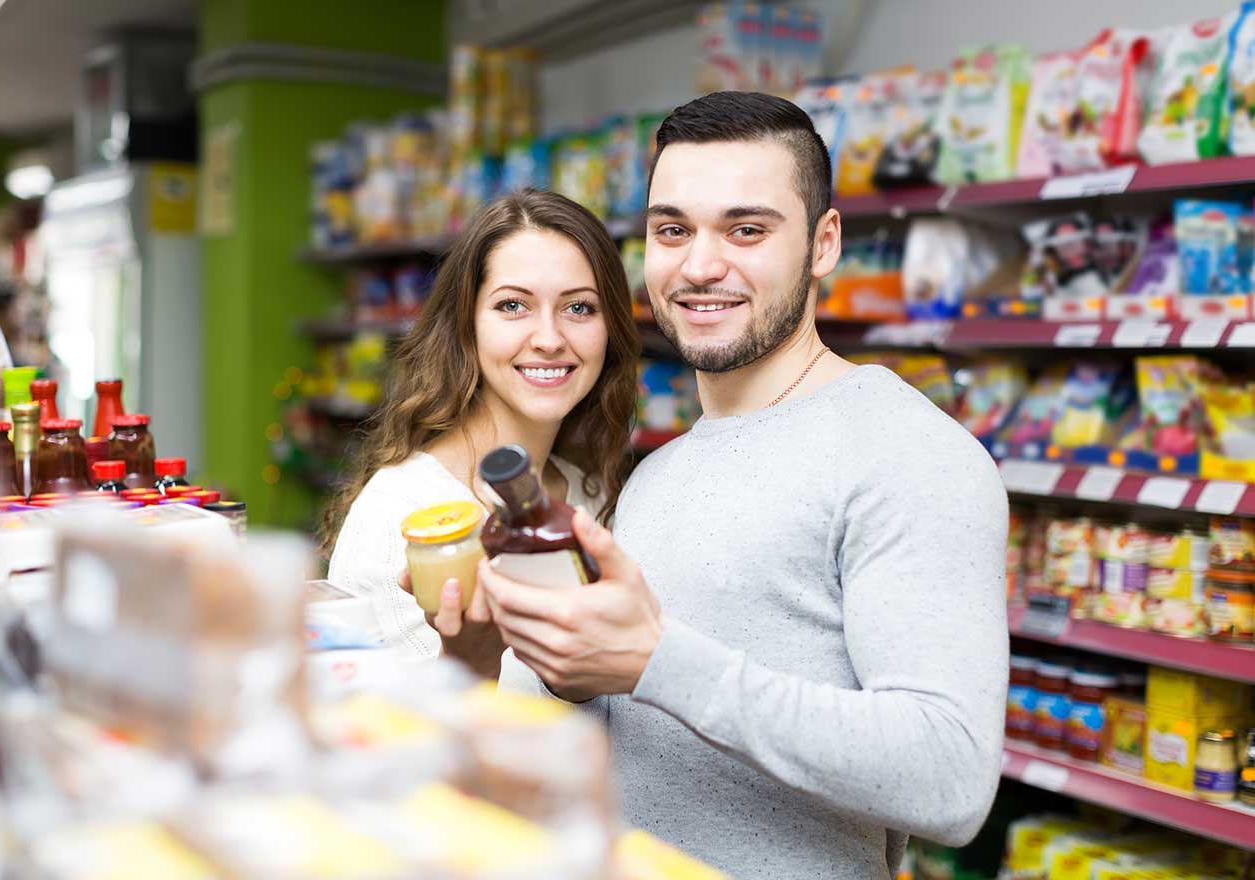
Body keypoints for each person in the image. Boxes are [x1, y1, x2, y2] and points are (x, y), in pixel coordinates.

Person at [475, 92, 1009, 878]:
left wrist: (655, 660)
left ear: (824, 243)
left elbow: (950, 776)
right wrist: (527, 650)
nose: (699, 266)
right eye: (672, 230)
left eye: (747, 229)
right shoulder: (655, 476)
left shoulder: (906, 453)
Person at [323, 189, 639, 688]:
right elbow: (375, 737)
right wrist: (469, 667)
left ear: (610, 330)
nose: (550, 338)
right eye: (513, 305)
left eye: (579, 308)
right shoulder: (400, 519)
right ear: (466, 326)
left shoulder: (595, 498)